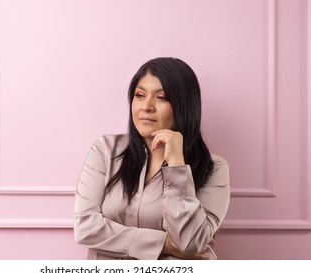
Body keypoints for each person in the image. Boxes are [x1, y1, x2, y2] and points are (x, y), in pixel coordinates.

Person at [73, 57, 230, 260]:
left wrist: (177, 165)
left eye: (161, 97)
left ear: (183, 105)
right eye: (140, 95)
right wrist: (164, 244)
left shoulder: (213, 168)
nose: (146, 106)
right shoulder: (105, 151)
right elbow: (85, 228)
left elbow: (191, 242)